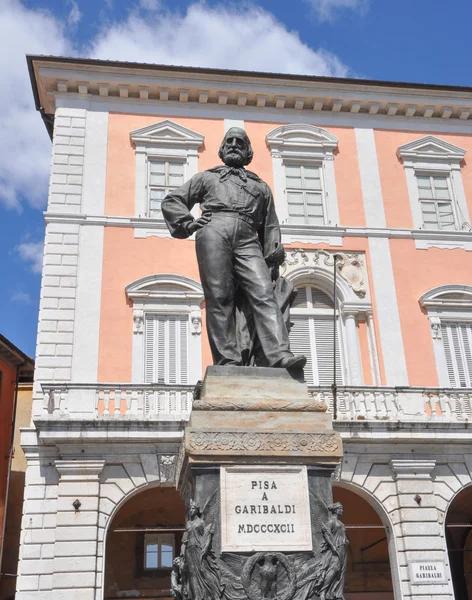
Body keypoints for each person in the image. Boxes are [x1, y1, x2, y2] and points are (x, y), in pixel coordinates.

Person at [162, 128, 306, 370]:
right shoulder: (207, 178)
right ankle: (228, 359)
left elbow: (271, 224)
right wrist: (188, 223)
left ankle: (280, 354)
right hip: (214, 230)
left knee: (264, 294)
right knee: (219, 297)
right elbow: (172, 200)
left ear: (248, 151)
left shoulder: (261, 187)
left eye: (240, 141)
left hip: (249, 237)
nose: (234, 144)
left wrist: (273, 254)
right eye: (229, 140)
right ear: (222, 148)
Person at [179, 499, 223, 600]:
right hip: (189, 551)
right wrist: (182, 554)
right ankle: (195, 596)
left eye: (193, 508)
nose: (191, 510)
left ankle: (206, 594)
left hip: (199, 549)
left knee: (201, 572)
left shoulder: (201, 522)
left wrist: (206, 547)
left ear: (197, 510)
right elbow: (184, 540)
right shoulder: (188, 524)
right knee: (192, 574)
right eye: (190, 509)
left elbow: (207, 536)